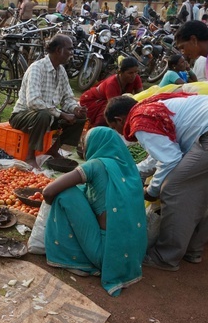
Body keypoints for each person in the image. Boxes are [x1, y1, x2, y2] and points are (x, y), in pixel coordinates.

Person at [104, 93, 208, 271]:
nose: (120, 133)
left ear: (119, 119)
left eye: (115, 128)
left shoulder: (138, 119)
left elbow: (170, 160)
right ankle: (193, 249)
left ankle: (166, 256)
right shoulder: (153, 107)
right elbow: (163, 153)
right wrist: (137, 172)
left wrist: (152, 191)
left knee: (173, 189)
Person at [42, 126, 146, 295]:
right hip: (130, 257)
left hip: (104, 255)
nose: (83, 147)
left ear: (96, 144)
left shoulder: (96, 165)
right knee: (83, 192)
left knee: (66, 195)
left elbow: (48, 191)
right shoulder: (129, 168)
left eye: (84, 143)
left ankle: (78, 260)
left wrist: (50, 211)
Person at [9, 35, 87, 170]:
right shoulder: (37, 68)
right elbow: (33, 102)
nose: (71, 53)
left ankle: (53, 150)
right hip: (22, 116)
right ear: (58, 50)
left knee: (80, 118)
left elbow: (67, 98)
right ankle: (30, 157)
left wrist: (75, 109)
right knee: (43, 114)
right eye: (69, 49)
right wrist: (61, 114)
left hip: (48, 116)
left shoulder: (61, 70)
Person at [79, 57, 143, 127]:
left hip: (112, 102)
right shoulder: (111, 84)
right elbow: (113, 107)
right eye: (130, 73)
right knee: (106, 114)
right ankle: (97, 129)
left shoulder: (136, 78)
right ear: (120, 72)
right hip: (92, 101)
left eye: (136, 72)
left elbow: (141, 95)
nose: (133, 75)